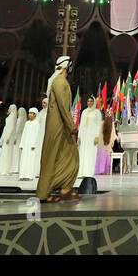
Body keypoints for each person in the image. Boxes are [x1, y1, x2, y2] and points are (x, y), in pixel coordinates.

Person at [35, 55, 80, 202]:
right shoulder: (60, 82)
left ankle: (63, 188)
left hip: (61, 126)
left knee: (66, 156)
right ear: (67, 66)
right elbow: (62, 107)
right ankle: (48, 192)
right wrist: (72, 127)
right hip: (59, 126)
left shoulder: (59, 81)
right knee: (56, 157)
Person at [77, 96, 103, 181]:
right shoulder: (84, 112)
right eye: (88, 101)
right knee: (82, 152)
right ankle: (81, 172)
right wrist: (79, 136)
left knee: (90, 153)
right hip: (84, 135)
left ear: (94, 102)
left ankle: (89, 172)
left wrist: (97, 136)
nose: (89, 103)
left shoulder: (97, 112)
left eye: (91, 101)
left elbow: (99, 125)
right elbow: (81, 125)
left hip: (92, 136)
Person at [16, 108, 42, 180]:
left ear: (35, 115)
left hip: (31, 145)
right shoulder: (27, 123)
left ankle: (29, 176)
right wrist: (21, 144)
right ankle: (22, 175)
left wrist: (34, 144)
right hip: (25, 145)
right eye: (29, 113)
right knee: (24, 159)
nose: (29, 114)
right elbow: (24, 134)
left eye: (31, 113)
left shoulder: (36, 123)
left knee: (31, 160)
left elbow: (37, 135)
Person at [0, 105, 19, 177]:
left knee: (8, 152)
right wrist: (3, 138)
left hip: (9, 136)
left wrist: (8, 137)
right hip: (6, 134)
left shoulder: (13, 118)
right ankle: (3, 169)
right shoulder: (9, 117)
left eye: (9, 108)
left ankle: (7, 169)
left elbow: (12, 128)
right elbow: (6, 128)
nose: (8, 109)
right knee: (5, 152)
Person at [95, 111, 115, 176]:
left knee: (100, 154)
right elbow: (113, 137)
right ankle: (106, 170)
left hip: (100, 146)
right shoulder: (112, 125)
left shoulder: (101, 124)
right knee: (107, 152)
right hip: (108, 147)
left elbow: (97, 134)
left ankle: (99, 170)